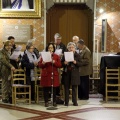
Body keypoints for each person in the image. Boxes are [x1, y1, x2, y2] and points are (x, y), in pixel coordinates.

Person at [38, 43, 62, 107]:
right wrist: (43, 63)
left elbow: (59, 65)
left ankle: (54, 101)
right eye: (49, 48)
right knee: (46, 88)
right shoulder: (43, 56)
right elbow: (40, 65)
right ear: (47, 48)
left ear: (53, 49)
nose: (50, 49)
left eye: (51, 48)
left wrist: (54, 62)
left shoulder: (56, 56)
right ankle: (46, 102)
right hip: (46, 74)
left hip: (53, 74)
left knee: (54, 89)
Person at [61, 42, 81, 106]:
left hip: (74, 73)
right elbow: (61, 64)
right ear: (68, 49)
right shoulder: (65, 55)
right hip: (67, 73)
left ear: (74, 48)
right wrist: (64, 63)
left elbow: (81, 64)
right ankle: (66, 102)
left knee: (74, 88)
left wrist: (76, 62)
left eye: (72, 47)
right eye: (70, 48)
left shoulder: (77, 55)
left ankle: (74, 101)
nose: (71, 49)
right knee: (66, 88)